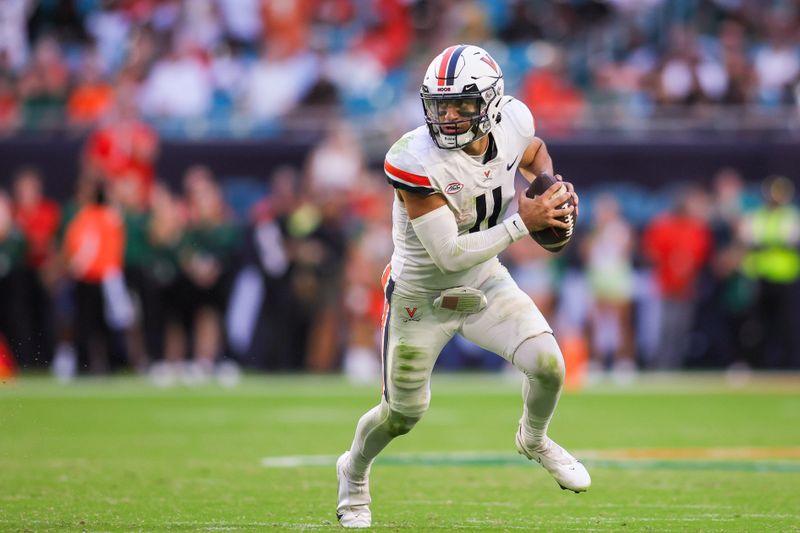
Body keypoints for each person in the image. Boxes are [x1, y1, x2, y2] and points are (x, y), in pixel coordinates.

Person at [336, 44, 590, 529]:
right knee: (402, 415)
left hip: (483, 277)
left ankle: (533, 439)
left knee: (549, 365)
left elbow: (532, 151)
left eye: (462, 105)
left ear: (491, 103)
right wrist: (524, 222)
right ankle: (354, 471)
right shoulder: (412, 159)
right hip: (420, 297)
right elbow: (448, 254)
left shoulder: (514, 121)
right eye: (440, 105)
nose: (449, 117)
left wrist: (549, 184)